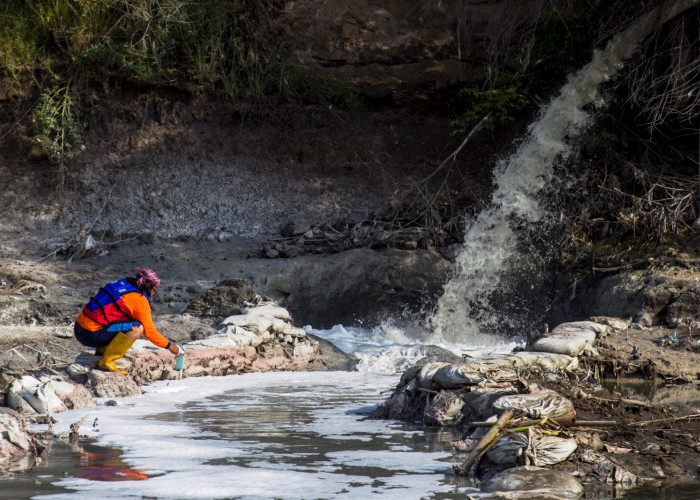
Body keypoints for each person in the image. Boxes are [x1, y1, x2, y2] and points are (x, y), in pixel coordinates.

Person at [74, 268, 182, 374]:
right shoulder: (140, 300)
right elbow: (150, 331)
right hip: (90, 335)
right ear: (149, 286)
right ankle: (107, 361)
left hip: (79, 327)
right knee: (137, 328)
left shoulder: (125, 284)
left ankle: (102, 350)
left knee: (126, 318)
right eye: (155, 289)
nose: (154, 292)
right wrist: (170, 347)